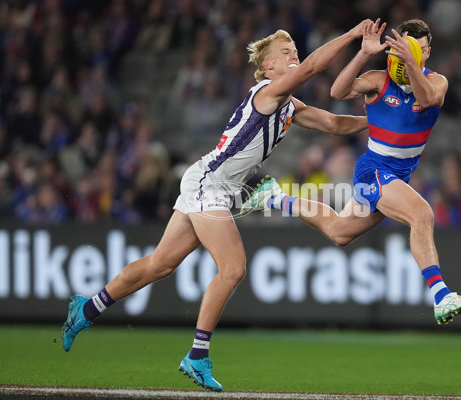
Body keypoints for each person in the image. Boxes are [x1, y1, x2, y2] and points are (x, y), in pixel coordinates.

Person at [61, 20, 373, 392]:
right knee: (234, 267)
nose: (295, 57)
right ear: (268, 67)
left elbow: (337, 124)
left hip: (216, 184)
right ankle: (197, 355)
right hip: (210, 183)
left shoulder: (289, 105)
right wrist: (353, 36)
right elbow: (312, 69)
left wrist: (383, 122)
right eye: (286, 53)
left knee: (160, 264)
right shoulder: (269, 92)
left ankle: (87, 308)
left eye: (295, 51)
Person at [241, 19, 461, 326]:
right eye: (401, 46)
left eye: (415, 49)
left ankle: (275, 198)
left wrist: (411, 62)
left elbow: (428, 99)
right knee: (422, 215)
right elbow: (337, 91)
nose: (405, 53)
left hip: (397, 177)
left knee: (340, 232)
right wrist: (364, 53)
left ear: (427, 53)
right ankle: (441, 295)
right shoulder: (377, 80)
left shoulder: (437, 82)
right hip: (374, 170)